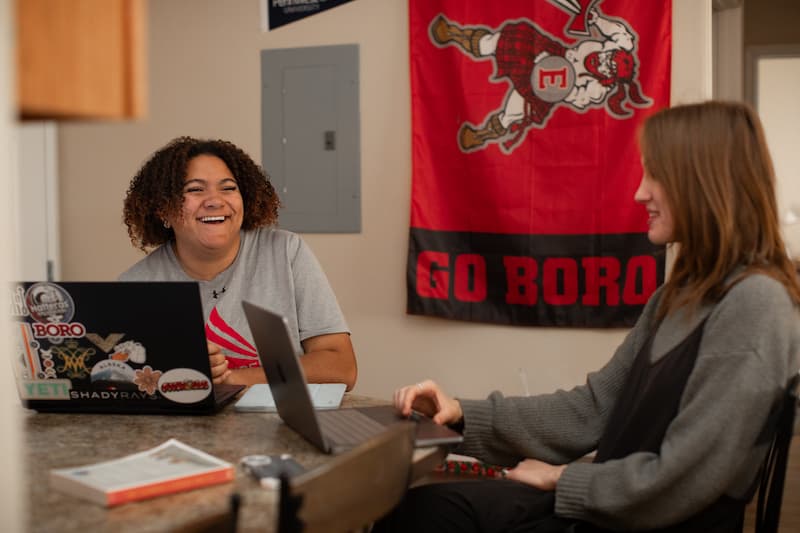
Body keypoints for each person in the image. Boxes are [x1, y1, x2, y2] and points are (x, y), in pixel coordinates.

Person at [375, 101, 800, 532]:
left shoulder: (756, 304)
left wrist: (561, 478)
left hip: (642, 523)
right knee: (422, 509)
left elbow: (684, 478)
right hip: (610, 512)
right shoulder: (678, 295)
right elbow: (592, 410)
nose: (640, 192)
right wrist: (461, 413)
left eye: (655, 174)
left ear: (702, 183)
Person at [119, 137, 357, 390]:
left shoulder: (286, 252)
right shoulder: (135, 286)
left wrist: (230, 380)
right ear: (163, 210)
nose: (214, 200)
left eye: (228, 188)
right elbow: (124, 382)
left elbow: (341, 367)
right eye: (195, 189)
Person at [430, 8, 650, 152]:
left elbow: (573, 96)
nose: (603, 60)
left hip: (547, 88)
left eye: (608, 66)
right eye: (608, 57)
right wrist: (598, 20)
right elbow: (620, 34)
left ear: (609, 76)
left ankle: (480, 135)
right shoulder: (619, 45)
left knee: (513, 112)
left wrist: (548, 70)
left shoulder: (597, 90)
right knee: (505, 40)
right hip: (556, 53)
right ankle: (455, 33)